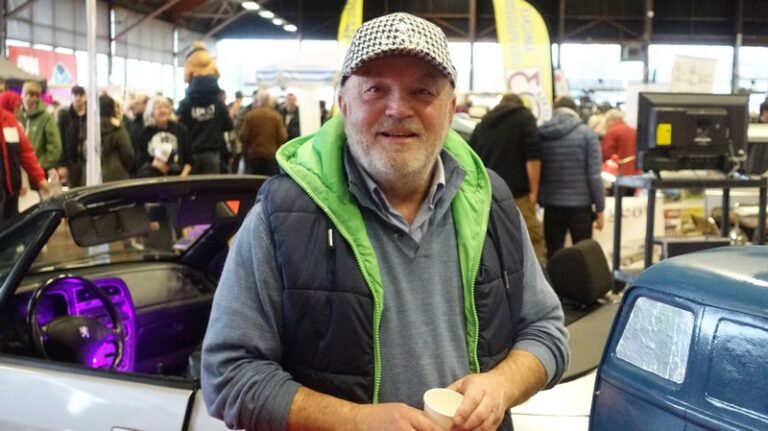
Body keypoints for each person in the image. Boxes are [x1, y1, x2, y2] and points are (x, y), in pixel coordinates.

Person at [202, 12, 568, 431]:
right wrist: (355, 422)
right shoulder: (282, 215)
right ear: (344, 105)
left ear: (450, 110)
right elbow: (228, 375)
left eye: (422, 91)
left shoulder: (491, 202)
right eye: (376, 89)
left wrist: (502, 384)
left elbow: (546, 330)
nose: (397, 108)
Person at [469, 93, 548, 265]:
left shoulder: (484, 123)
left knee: (494, 243)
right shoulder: (525, 118)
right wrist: (534, 192)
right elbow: (533, 157)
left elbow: (472, 159)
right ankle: (537, 277)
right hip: (518, 195)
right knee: (531, 240)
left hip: (488, 195)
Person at [538, 96, 605, 260]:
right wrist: (600, 208)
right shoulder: (588, 134)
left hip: (552, 204)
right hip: (580, 206)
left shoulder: (543, 133)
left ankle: (555, 278)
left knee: (554, 255)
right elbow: (594, 175)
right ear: (575, 111)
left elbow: (539, 170)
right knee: (583, 256)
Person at [177, 41, 233, 174]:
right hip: (212, 153)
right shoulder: (219, 103)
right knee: (211, 185)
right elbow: (228, 126)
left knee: (192, 186)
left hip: (191, 155)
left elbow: (179, 128)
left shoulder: (185, 103)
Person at [0, 91, 48, 222]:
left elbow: (25, 153)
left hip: (11, 192)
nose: (19, 109)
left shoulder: (10, 121)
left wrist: (39, 179)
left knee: (11, 228)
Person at [137, 96, 192, 177]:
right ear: (151, 112)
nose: (163, 110)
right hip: (152, 177)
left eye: (166, 107)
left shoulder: (181, 129)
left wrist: (182, 178)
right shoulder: (145, 132)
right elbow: (140, 160)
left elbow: (190, 158)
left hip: (178, 177)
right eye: (159, 108)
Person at [238, 91, 287, 176]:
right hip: (271, 154)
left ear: (258, 100)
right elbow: (283, 137)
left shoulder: (250, 115)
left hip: (254, 154)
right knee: (269, 180)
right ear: (268, 100)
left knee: (255, 180)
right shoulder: (276, 116)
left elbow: (243, 136)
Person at [19, 81, 62, 176]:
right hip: (19, 171)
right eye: (28, 94)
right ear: (22, 95)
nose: (31, 98)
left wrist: (39, 164)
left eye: (35, 95)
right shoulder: (17, 115)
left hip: (38, 172)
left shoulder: (46, 118)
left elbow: (55, 148)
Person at [601, 108, 641, 196]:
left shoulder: (611, 132)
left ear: (611, 120)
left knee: (616, 199)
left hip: (616, 175)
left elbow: (606, 154)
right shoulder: (634, 131)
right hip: (634, 174)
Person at [98, 94, 134, 182]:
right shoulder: (117, 128)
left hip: (92, 176)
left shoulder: (89, 127)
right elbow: (127, 153)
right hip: (116, 176)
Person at [57, 85, 87, 187]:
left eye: (81, 95)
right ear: (71, 97)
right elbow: (60, 140)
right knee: (73, 191)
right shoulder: (65, 116)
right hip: (70, 163)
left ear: (85, 97)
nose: (78, 98)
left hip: (87, 163)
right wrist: (61, 164)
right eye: (75, 95)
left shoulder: (91, 115)